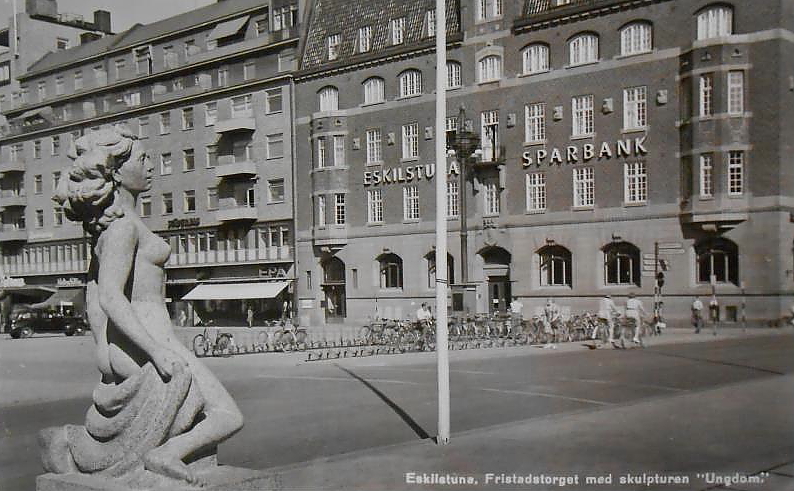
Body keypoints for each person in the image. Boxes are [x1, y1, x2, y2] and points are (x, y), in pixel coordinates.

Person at [43, 127, 243, 485]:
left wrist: (104, 351)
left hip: (146, 339)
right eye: (143, 159)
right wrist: (153, 351)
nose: (151, 165)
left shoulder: (117, 226)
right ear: (117, 172)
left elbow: (92, 297)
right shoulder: (122, 229)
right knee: (227, 414)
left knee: (215, 412)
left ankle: (163, 452)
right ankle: (165, 454)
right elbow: (108, 296)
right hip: (152, 341)